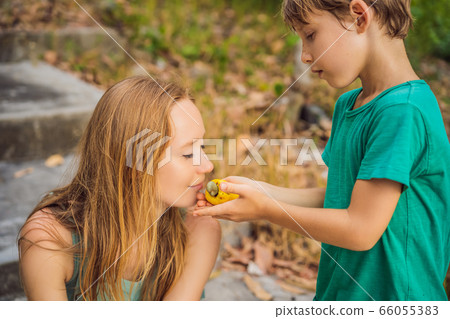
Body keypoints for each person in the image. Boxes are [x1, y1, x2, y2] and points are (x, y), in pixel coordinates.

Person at [194, 0, 450, 300]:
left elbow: (360, 229)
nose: (304, 55)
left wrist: (266, 209)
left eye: (311, 35)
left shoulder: (403, 111)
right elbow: (337, 199)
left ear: (359, 17)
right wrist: (260, 191)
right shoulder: (348, 105)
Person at [18, 76, 220, 300]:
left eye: (202, 146)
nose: (208, 165)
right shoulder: (49, 241)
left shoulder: (196, 228)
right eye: (188, 153)